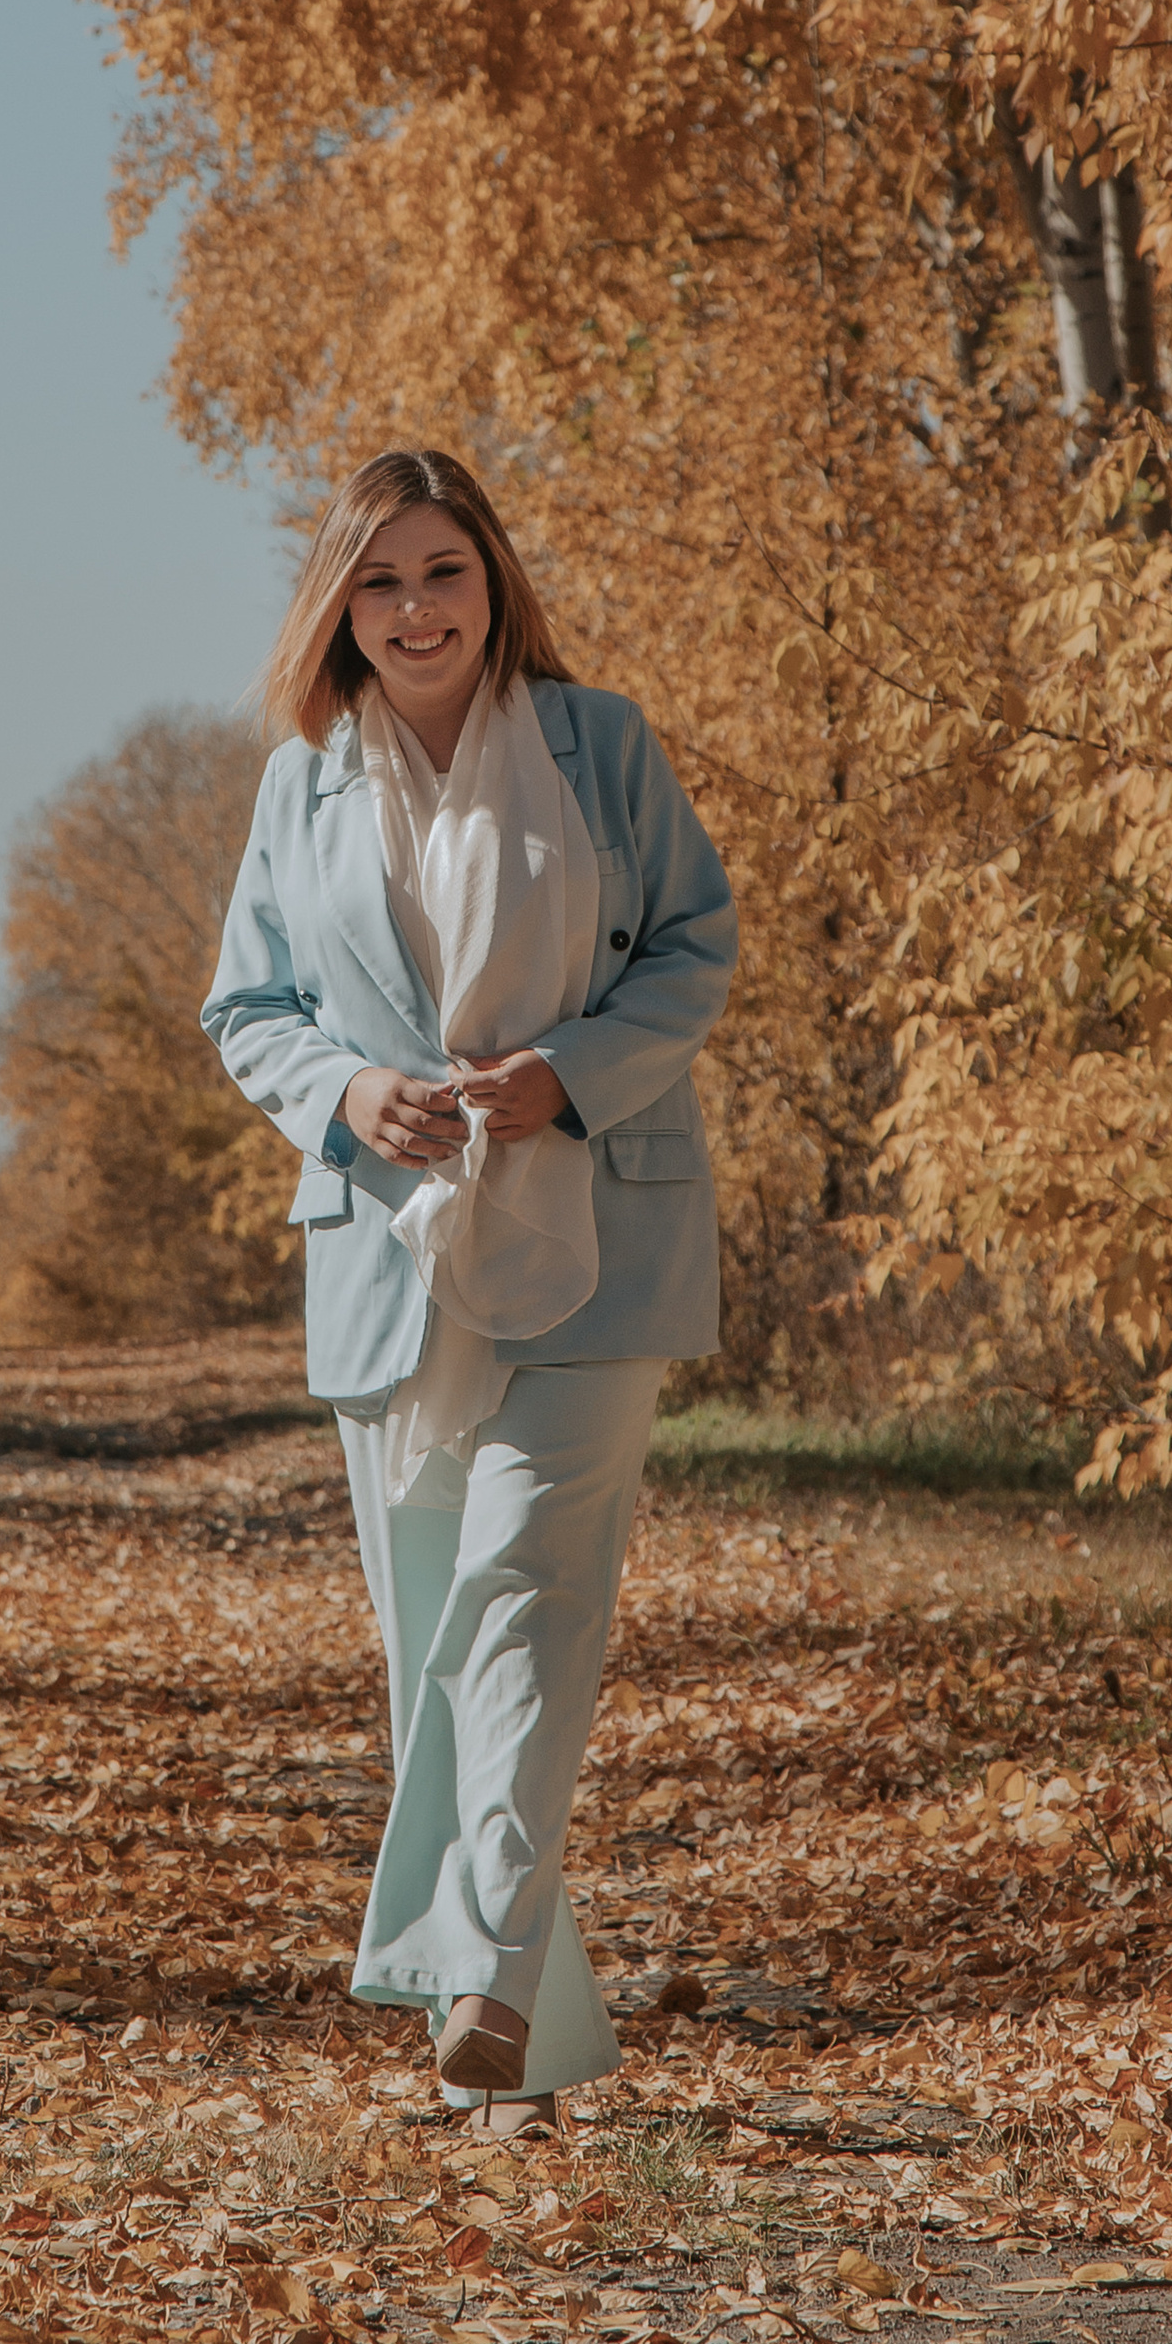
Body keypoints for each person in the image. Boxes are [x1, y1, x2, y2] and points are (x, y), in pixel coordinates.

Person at [201, 448, 737, 2137]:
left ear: (492, 579)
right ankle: (523, 2037)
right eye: (380, 582)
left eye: (444, 572)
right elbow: (248, 1009)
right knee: (437, 1643)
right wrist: (350, 1098)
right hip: (388, 1259)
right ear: (337, 609)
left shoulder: (604, 746)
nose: (416, 609)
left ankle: (482, 1975)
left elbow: (696, 949)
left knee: (521, 1593)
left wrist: (567, 1071)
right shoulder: (302, 785)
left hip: (596, 1236)